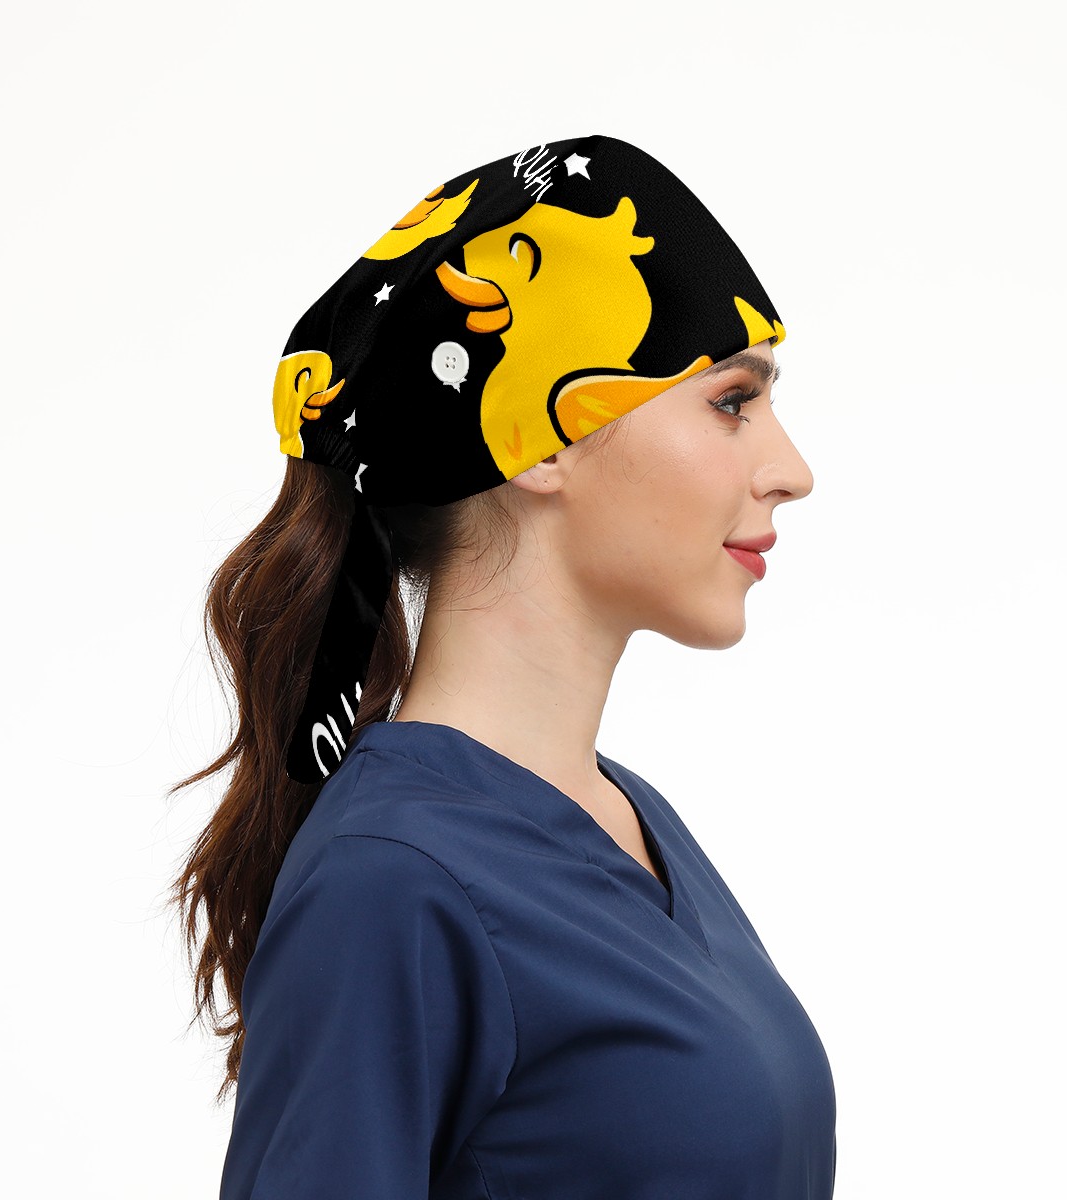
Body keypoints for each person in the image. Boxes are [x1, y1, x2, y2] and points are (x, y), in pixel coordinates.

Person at [170, 133, 836, 1198]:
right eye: (730, 401)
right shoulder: (392, 880)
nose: (790, 469)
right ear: (541, 436)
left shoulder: (628, 819)